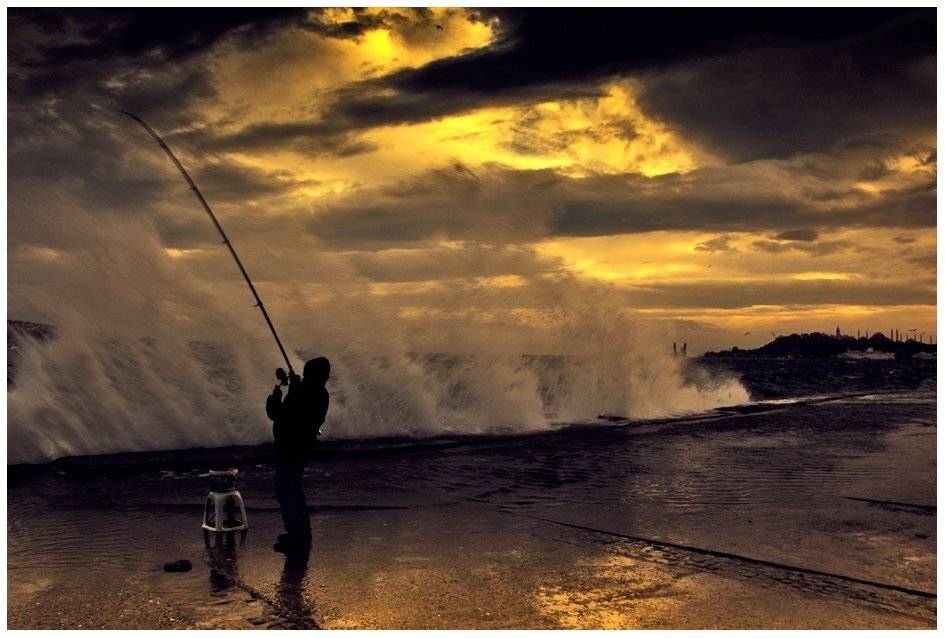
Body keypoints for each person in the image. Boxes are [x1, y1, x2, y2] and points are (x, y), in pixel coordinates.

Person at [266, 356, 330, 552]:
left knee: (286, 491)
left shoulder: (301, 393)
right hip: (302, 448)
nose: (303, 376)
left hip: (289, 448)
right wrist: (295, 387)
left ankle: (297, 537)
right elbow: (302, 408)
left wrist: (276, 395)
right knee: (293, 490)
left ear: (311, 374)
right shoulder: (321, 393)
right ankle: (301, 533)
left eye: (306, 373)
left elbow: (277, 414)